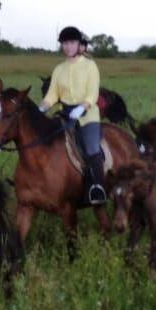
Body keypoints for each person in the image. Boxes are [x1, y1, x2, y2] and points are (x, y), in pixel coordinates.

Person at [39, 25, 106, 205]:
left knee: (91, 148)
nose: (68, 46)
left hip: (87, 115)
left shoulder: (90, 66)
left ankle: (97, 188)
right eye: (65, 43)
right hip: (65, 114)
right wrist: (42, 107)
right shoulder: (58, 69)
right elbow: (53, 94)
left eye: (72, 43)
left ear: (78, 45)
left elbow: (93, 93)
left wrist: (82, 107)